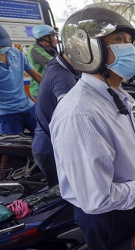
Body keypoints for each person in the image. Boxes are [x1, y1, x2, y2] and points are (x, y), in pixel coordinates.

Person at [49, 6, 135, 250]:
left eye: (128, 41)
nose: (129, 48)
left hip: (131, 202)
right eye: (118, 40)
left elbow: (122, 149)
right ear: (87, 49)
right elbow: (97, 198)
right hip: (108, 217)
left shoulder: (115, 96)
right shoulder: (80, 114)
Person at [31, 34, 81, 187]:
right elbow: (73, 116)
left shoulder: (61, 64)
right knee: (64, 196)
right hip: (50, 150)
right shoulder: (62, 75)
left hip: (48, 145)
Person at [0, 24, 42, 135]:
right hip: (6, 115)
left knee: (46, 140)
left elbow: (37, 76)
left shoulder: (16, 53)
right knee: (15, 149)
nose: (2, 49)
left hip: (29, 107)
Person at [27, 24, 58, 101]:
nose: (55, 39)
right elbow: (54, 64)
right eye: (53, 36)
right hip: (40, 90)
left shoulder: (51, 50)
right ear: (45, 38)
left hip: (49, 87)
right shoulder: (35, 49)